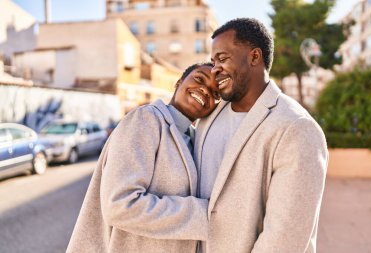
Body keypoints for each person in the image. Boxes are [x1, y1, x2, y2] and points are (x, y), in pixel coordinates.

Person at [193, 18, 328, 253]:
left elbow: (285, 237)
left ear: (255, 57)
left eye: (223, 59)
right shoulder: (208, 116)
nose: (215, 69)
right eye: (213, 61)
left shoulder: (297, 127)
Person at [67, 62, 220, 253]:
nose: (205, 90)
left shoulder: (196, 141)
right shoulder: (146, 119)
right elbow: (121, 204)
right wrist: (204, 215)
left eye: (216, 94)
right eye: (199, 79)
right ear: (179, 82)